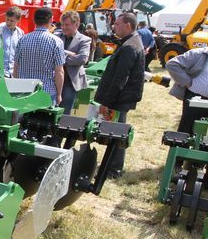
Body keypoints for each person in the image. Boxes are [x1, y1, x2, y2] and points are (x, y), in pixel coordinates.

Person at [94, 12, 145, 178]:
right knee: (116, 130)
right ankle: (113, 166)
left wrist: (107, 102)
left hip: (120, 98)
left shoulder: (130, 46)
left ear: (127, 26)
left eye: (117, 24)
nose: (114, 26)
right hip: (122, 97)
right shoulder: (130, 42)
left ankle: (114, 169)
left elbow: (120, 78)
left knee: (116, 132)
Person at [13, 7, 65, 105]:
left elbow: (16, 68)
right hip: (46, 93)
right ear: (50, 20)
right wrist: (59, 94)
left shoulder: (22, 40)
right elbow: (59, 72)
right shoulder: (56, 42)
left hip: (24, 92)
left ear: (34, 20)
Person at [55, 11, 91, 114]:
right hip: (55, 79)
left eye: (67, 25)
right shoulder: (56, 37)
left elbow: (82, 59)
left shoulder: (84, 40)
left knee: (65, 112)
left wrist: (59, 59)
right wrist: (68, 53)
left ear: (77, 24)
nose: (63, 27)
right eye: (62, 24)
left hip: (70, 81)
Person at [0, 7, 25, 78]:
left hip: (14, 73)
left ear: (18, 20)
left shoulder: (20, 33)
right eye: (7, 19)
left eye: (12, 21)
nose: (8, 23)